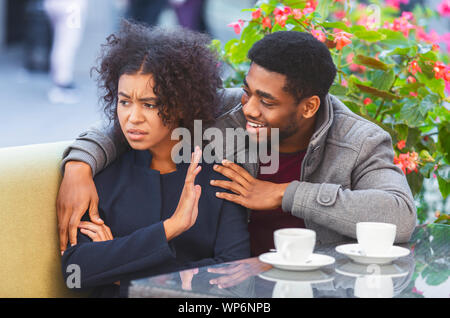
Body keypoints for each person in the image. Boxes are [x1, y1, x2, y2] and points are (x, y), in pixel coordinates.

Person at [57, 31, 417, 259]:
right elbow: (141, 119)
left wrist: (284, 193)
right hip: (234, 283)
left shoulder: (359, 141)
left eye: (267, 101)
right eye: (247, 91)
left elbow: (399, 217)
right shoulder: (225, 110)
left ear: (308, 107)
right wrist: (79, 165)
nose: (249, 109)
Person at [60, 21, 250, 297]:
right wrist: (170, 229)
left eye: (149, 104)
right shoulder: (102, 176)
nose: (132, 117)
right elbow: (75, 274)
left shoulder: (220, 177)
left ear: (182, 103)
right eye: (124, 101)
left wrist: (120, 271)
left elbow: (236, 280)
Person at [44, 0, 87, 104]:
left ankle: (59, 82)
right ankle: (62, 84)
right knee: (67, 44)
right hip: (72, 7)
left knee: (60, 43)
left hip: (53, 4)